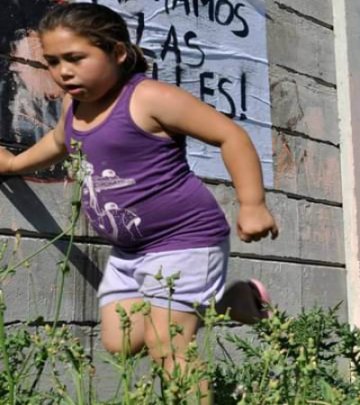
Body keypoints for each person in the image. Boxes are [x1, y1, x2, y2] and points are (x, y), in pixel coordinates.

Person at [0, 2, 277, 384]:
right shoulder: (74, 107)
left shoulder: (147, 98)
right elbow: (58, 142)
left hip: (184, 238)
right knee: (122, 341)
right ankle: (237, 300)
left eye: (76, 58)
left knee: (169, 348)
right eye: (52, 61)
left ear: (117, 51)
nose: (63, 71)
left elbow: (229, 134)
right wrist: (14, 165)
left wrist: (252, 203)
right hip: (129, 253)